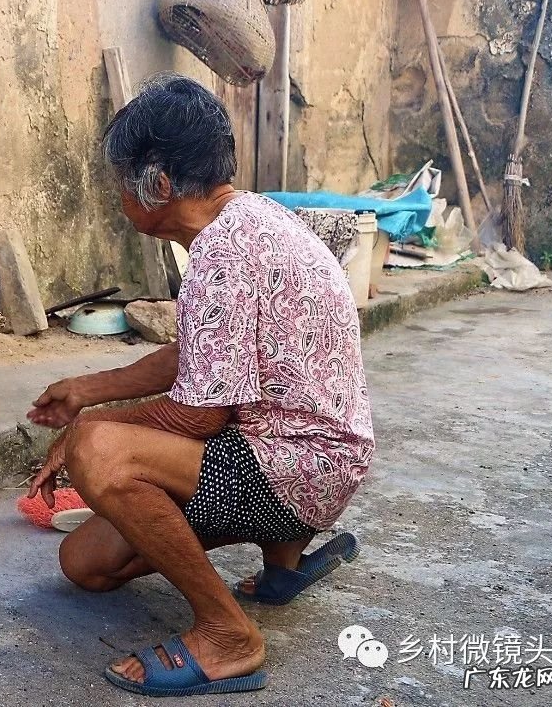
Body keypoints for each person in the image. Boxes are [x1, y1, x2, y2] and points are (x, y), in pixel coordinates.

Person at [26, 73, 373, 697]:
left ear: (156, 187)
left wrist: (90, 433)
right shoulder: (248, 221)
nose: (116, 198)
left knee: (97, 451)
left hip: (297, 466)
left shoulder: (221, 256)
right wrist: (88, 390)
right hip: (313, 454)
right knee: (85, 565)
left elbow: (200, 418)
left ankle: (227, 634)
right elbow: (200, 354)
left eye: (118, 184)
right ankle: (283, 564)